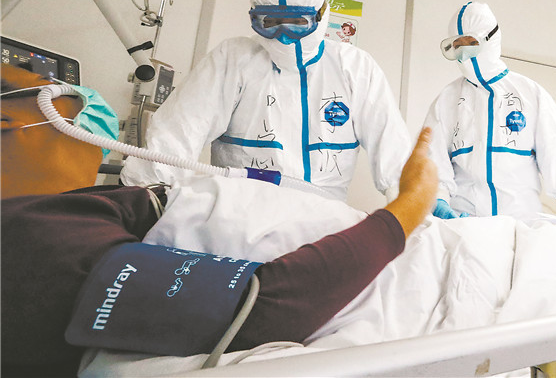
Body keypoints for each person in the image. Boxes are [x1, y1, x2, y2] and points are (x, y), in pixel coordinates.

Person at [0, 64, 436, 377]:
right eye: (59, 103)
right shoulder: (32, 247)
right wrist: (412, 203)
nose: (87, 114)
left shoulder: (38, 219)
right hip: (387, 262)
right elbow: (265, 305)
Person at [120, 0, 411, 202]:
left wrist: (414, 208)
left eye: (297, 23)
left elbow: (394, 154)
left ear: (321, 16)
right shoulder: (233, 59)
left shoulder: (355, 67)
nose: (283, 36)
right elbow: (177, 134)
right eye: (270, 23)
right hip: (240, 216)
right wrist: (143, 196)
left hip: (324, 222)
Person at [423, 2, 556, 220]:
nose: (465, 53)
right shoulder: (447, 100)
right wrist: (439, 200)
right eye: (458, 45)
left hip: (522, 222)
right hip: (465, 223)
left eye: (472, 43)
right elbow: (432, 160)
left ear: (491, 38)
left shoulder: (530, 93)